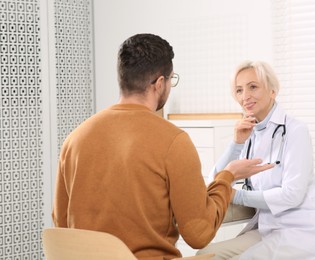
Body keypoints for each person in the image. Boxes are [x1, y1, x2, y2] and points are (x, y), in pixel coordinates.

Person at [51, 34, 274, 260]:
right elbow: (199, 234)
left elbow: (61, 222)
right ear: (160, 83)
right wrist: (227, 177)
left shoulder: (74, 139)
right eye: (170, 80)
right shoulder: (173, 141)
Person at [197, 61, 315, 259]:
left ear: (272, 91)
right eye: (239, 90)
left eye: (253, 87)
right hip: (266, 229)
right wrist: (236, 143)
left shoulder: (295, 131)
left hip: (300, 231)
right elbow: (215, 181)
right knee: (205, 255)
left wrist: (234, 194)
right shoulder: (250, 133)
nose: (245, 96)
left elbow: (292, 195)